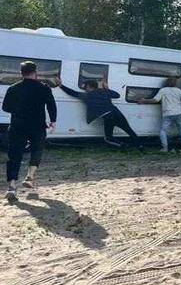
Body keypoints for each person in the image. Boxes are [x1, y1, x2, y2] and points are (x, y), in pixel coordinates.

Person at [2, 61, 57, 202]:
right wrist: (53, 121)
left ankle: (12, 187)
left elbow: (5, 108)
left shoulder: (13, 88)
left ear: (21, 73)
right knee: (37, 149)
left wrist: (18, 110)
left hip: (17, 125)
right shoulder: (44, 88)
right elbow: (51, 105)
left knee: (14, 155)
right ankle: (30, 176)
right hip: (37, 125)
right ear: (35, 72)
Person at [55, 77, 141, 149]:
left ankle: (124, 146)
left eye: (85, 87)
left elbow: (72, 93)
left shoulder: (87, 95)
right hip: (117, 112)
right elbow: (117, 95)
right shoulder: (104, 91)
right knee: (129, 130)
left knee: (108, 138)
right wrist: (107, 88)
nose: (85, 90)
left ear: (88, 86)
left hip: (108, 116)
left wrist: (61, 85)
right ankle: (140, 147)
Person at [140, 77, 181, 152]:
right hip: (178, 113)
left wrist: (144, 100)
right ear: (175, 83)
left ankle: (165, 148)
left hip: (168, 114)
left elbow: (155, 100)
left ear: (167, 83)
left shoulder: (163, 90)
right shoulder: (179, 90)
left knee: (163, 131)